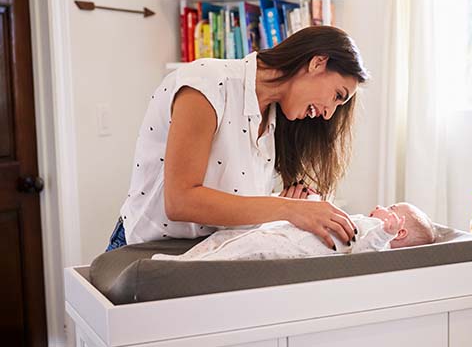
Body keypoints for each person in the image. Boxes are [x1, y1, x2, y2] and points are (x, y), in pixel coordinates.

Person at [106, 26, 369, 252]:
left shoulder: (274, 120)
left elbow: (228, 202)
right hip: (144, 251)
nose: (328, 114)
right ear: (317, 62)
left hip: (203, 256)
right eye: (337, 95)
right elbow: (180, 201)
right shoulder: (207, 84)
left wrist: (285, 205)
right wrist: (286, 208)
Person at [152, 203, 436, 261]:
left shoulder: (379, 236)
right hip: (289, 229)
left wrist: (383, 234)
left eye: (389, 206)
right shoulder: (367, 221)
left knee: (248, 248)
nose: (379, 205)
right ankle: (184, 261)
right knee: (228, 237)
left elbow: (362, 258)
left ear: (399, 232)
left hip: (297, 246)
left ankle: (186, 267)